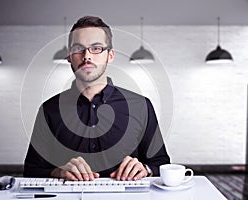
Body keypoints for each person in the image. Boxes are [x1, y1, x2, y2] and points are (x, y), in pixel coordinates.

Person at [24, 16, 170, 181]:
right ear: (69, 57)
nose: (87, 56)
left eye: (96, 48)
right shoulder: (49, 110)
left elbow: (161, 163)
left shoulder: (141, 105)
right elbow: (31, 170)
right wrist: (57, 172)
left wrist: (145, 168)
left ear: (110, 55)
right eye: (78, 48)